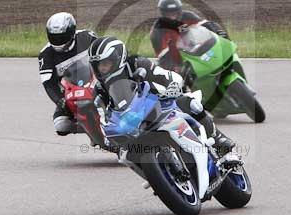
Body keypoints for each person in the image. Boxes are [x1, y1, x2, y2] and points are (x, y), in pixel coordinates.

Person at [88, 36, 236, 157]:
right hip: (134, 121)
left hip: (159, 103)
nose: (101, 69)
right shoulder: (100, 88)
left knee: (190, 103)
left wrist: (171, 88)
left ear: (117, 58)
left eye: (105, 64)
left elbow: (169, 76)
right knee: (125, 155)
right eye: (97, 65)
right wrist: (106, 135)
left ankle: (217, 138)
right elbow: (103, 116)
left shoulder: (136, 63)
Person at [38, 12, 97, 136]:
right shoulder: (45, 55)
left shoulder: (87, 37)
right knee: (61, 125)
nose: (57, 41)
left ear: (71, 33)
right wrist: (60, 101)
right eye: (54, 37)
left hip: (96, 83)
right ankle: (89, 128)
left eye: (61, 37)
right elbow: (49, 83)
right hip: (71, 94)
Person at [149, 0, 230, 72]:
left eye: (174, 14)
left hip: (193, 53)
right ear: (163, 13)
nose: (172, 17)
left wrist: (219, 32)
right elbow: (163, 56)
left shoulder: (187, 16)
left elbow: (206, 24)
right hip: (174, 62)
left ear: (179, 11)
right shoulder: (157, 32)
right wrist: (176, 68)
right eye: (168, 14)